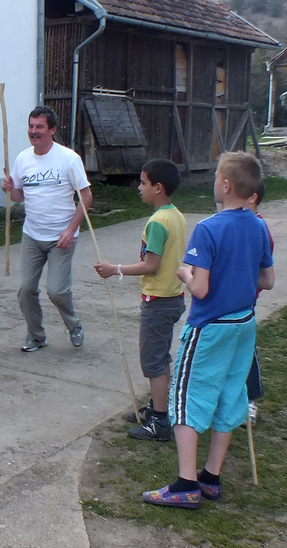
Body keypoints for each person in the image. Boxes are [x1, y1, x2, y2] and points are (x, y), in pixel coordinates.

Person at [142, 152, 274, 509]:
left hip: (210, 326)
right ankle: (211, 477)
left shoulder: (209, 227)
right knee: (230, 394)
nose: (215, 182)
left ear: (226, 185)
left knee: (186, 396)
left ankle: (186, 483)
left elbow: (199, 289)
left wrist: (184, 273)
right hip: (243, 324)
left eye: (217, 177)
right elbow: (267, 280)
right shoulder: (258, 226)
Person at [94, 159, 186, 442]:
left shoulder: (157, 222)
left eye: (143, 182)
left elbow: (151, 266)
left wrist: (115, 269)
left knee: (152, 362)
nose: (139, 187)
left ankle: (160, 423)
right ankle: (160, 408)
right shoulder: (176, 215)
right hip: (173, 297)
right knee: (161, 358)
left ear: (158, 188)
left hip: (158, 300)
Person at [1, 106, 92, 352]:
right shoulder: (22, 159)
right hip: (32, 235)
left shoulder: (68, 159)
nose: (34, 131)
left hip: (61, 237)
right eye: (31, 126)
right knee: (26, 290)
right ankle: (36, 336)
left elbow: (86, 196)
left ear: (52, 130)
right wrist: (9, 188)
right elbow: (19, 197)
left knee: (56, 291)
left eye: (39, 126)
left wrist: (71, 229)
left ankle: (74, 325)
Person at [245, 182, 272, 426]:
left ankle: (250, 399)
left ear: (252, 197)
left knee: (245, 349)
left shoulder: (259, 228)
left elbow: (264, 273)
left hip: (245, 299)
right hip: (226, 299)